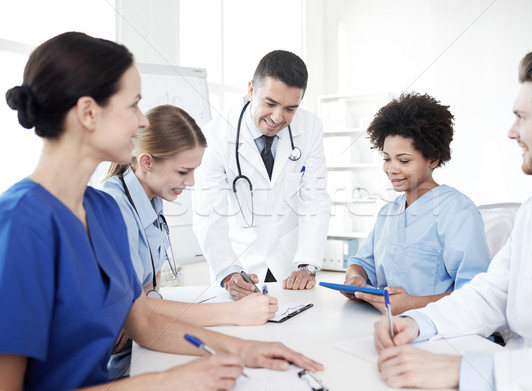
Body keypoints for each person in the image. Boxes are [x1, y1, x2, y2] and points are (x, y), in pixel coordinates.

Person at [0, 32, 322, 391]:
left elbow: (147, 326)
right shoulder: (20, 224)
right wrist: (168, 382)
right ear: (89, 112)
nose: (142, 122)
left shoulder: (103, 211)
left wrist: (245, 349)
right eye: (134, 105)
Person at [373, 36, 532, 391]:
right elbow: (491, 292)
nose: (512, 133)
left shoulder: (456, 208)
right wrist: (420, 322)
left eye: (522, 118)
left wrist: (472, 371)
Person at [99, 104, 278, 379]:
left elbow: (147, 291)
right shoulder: (115, 209)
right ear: (147, 162)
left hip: (140, 345)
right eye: (183, 172)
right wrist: (234, 313)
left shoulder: (151, 199)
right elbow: (139, 310)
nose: (192, 182)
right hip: (114, 361)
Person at [193, 50, 330, 299]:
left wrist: (308, 264)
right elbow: (208, 212)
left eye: (290, 108)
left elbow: (316, 198)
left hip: (290, 263)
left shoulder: (310, 128)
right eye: (270, 103)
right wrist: (227, 271)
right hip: (239, 262)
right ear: (251, 90)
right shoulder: (216, 133)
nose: (277, 117)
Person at [342, 93, 490, 315]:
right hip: (383, 324)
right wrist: (355, 277)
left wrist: (414, 304)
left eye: (404, 161)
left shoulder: (458, 213)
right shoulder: (388, 213)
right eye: (386, 158)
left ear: (433, 159)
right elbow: (363, 262)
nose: (391, 169)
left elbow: (476, 293)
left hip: (438, 330)